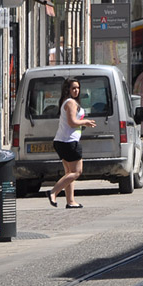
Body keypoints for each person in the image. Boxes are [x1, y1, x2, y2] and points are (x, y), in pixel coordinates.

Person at [48, 77, 97, 208]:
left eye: (78, 88)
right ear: (67, 90)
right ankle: (53, 192)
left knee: (69, 173)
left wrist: (81, 124)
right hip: (68, 142)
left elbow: (72, 123)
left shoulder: (68, 102)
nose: (76, 90)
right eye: (73, 88)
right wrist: (85, 122)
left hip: (62, 141)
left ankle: (70, 201)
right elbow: (72, 122)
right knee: (77, 171)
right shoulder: (70, 103)